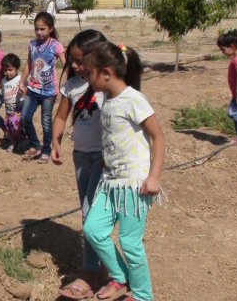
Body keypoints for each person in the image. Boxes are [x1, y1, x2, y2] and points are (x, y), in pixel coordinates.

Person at [80, 42, 165, 301]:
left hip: (134, 185)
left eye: (89, 73)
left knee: (130, 243)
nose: (86, 78)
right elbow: (117, 136)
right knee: (93, 229)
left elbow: (158, 137)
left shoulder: (133, 100)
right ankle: (120, 276)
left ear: (105, 73)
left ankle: (142, 295)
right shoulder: (108, 100)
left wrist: (154, 177)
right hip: (111, 182)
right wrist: (107, 160)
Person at [50, 30, 108, 299]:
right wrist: (56, 141)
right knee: (88, 214)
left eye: (79, 60)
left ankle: (92, 271)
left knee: (92, 214)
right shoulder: (72, 86)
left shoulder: (106, 84)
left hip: (104, 158)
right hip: (81, 156)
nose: (74, 66)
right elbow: (61, 115)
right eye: (71, 60)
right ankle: (100, 270)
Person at [20, 12, 65, 161]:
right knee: (25, 118)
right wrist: (22, 81)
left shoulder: (55, 46)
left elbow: (66, 64)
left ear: (50, 29)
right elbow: (29, 64)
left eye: (43, 29)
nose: (39, 32)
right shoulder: (32, 45)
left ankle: (46, 149)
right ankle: (35, 145)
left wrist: (69, 82)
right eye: (37, 29)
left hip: (49, 92)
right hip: (32, 89)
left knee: (46, 121)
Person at [0, 53, 25, 152]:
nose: (7, 72)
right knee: (9, 126)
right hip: (8, 109)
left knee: (16, 125)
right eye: (5, 70)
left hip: (18, 108)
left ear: (16, 69)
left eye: (10, 70)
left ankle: (22, 142)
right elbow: (3, 93)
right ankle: (13, 142)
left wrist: (23, 91)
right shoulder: (3, 81)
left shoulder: (20, 79)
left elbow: (26, 89)